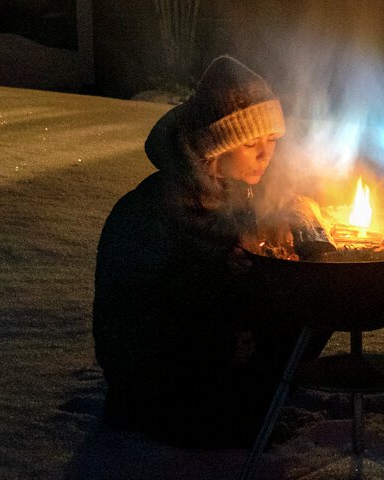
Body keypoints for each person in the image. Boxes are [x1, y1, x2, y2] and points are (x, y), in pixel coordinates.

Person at [92, 55, 298, 448]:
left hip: (217, 359)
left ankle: (254, 400)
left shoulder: (241, 195)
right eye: (251, 142)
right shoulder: (149, 211)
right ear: (216, 148)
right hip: (156, 386)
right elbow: (134, 318)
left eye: (272, 140)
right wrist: (227, 288)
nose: (265, 154)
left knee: (311, 293)